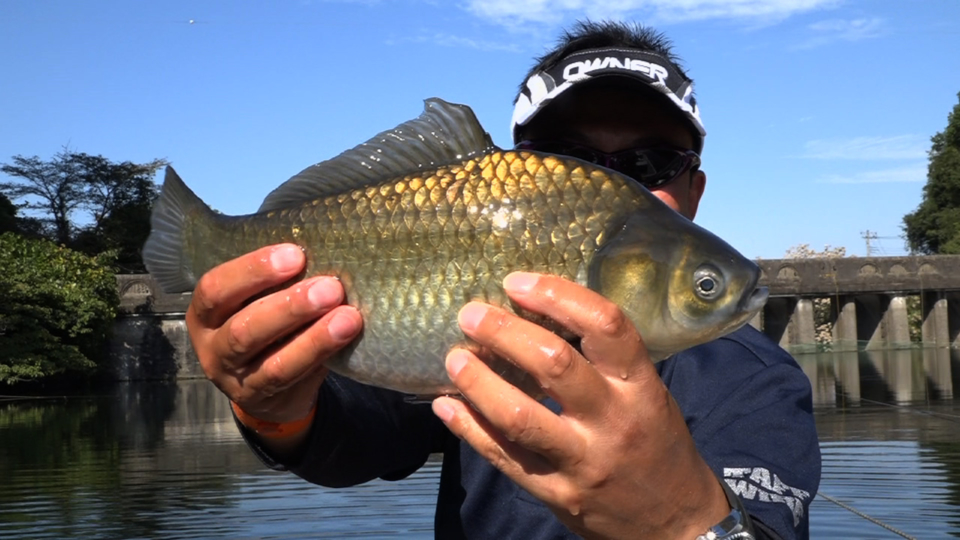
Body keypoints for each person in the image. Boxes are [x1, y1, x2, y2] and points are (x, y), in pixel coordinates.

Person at [185, 20, 821, 540]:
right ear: (518, 168)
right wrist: (270, 406)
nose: (616, 183)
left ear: (694, 189)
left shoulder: (755, 379)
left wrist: (684, 524)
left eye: (648, 162)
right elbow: (357, 439)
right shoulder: (463, 335)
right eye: (569, 160)